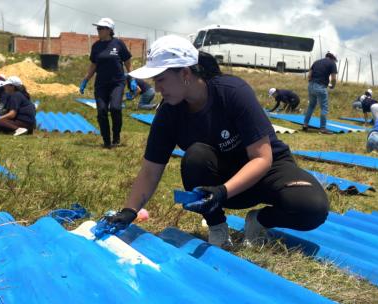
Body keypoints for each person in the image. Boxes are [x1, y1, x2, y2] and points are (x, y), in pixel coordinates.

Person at [101, 35, 329, 248]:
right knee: (196, 156)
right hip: (220, 183)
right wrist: (129, 210)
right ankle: (217, 226)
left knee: (312, 208)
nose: (157, 88)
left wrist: (223, 192)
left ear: (185, 74)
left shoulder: (232, 92)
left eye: (161, 79)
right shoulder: (168, 113)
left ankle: (259, 220)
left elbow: (262, 158)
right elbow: (151, 171)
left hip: (265, 172)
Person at [80, 17, 132, 148]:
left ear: (109, 30)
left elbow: (128, 64)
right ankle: (106, 141)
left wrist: (132, 79)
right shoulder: (96, 46)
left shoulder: (118, 44)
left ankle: (116, 136)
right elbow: (93, 65)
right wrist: (85, 80)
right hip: (101, 84)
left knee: (115, 108)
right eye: (97, 28)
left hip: (117, 83)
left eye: (101, 28)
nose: (98, 30)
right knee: (102, 111)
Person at [302, 51, 338, 134]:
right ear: (333, 58)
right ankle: (322, 129)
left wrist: (313, 83)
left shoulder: (316, 62)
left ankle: (305, 125)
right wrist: (333, 85)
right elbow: (333, 78)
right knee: (324, 108)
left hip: (311, 86)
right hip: (321, 87)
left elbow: (309, 75)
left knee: (311, 106)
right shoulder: (332, 63)